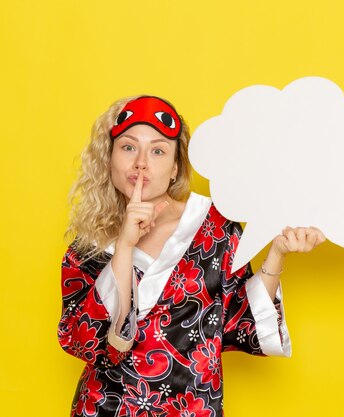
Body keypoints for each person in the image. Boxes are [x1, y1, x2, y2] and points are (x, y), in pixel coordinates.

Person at [58, 95, 325, 417]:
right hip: (104, 408)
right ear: (109, 160)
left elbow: (239, 324)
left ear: (174, 168)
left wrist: (277, 254)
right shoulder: (89, 242)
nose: (141, 162)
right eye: (128, 147)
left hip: (192, 407)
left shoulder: (214, 226)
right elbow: (88, 344)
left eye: (158, 150)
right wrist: (125, 246)